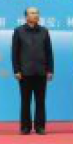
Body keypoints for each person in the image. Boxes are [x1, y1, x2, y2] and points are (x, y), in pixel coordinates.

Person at [11, 7, 53, 135]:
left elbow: (49, 52)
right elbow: (15, 53)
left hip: (41, 71)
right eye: (32, 13)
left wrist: (50, 70)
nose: (35, 15)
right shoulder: (19, 31)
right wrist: (16, 70)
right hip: (24, 72)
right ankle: (25, 127)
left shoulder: (44, 31)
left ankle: (40, 127)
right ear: (26, 16)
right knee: (25, 101)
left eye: (37, 13)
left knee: (40, 101)